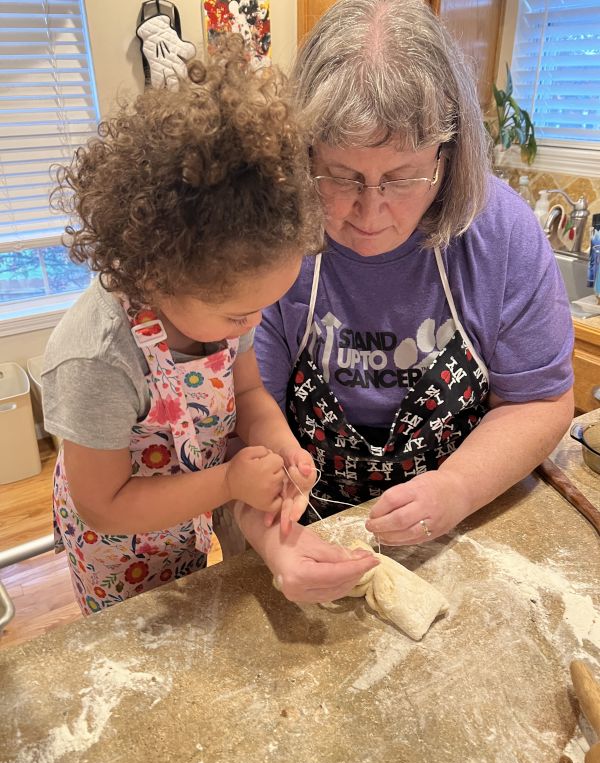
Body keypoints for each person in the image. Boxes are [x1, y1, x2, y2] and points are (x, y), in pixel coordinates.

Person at [43, 35, 379, 615]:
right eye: (238, 315)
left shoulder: (225, 300)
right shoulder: (97, 358)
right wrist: (227, 483)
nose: (250, 325)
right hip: (117, 553)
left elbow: (247, 393)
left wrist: (278, 442)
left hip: (187, 524)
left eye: (261, 309)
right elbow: (105, 504)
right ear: (160, 272)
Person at [255, 0, 574, 549]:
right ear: (302, 153)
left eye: (402, 178)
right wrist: (271, 534)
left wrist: (457, 487)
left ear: (447, 159)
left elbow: (539, 401)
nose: (370, 212)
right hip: (298, 525)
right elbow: (242, 410)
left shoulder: (500, 234)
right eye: (340, 176)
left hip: (465, 524)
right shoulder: (267, 234)